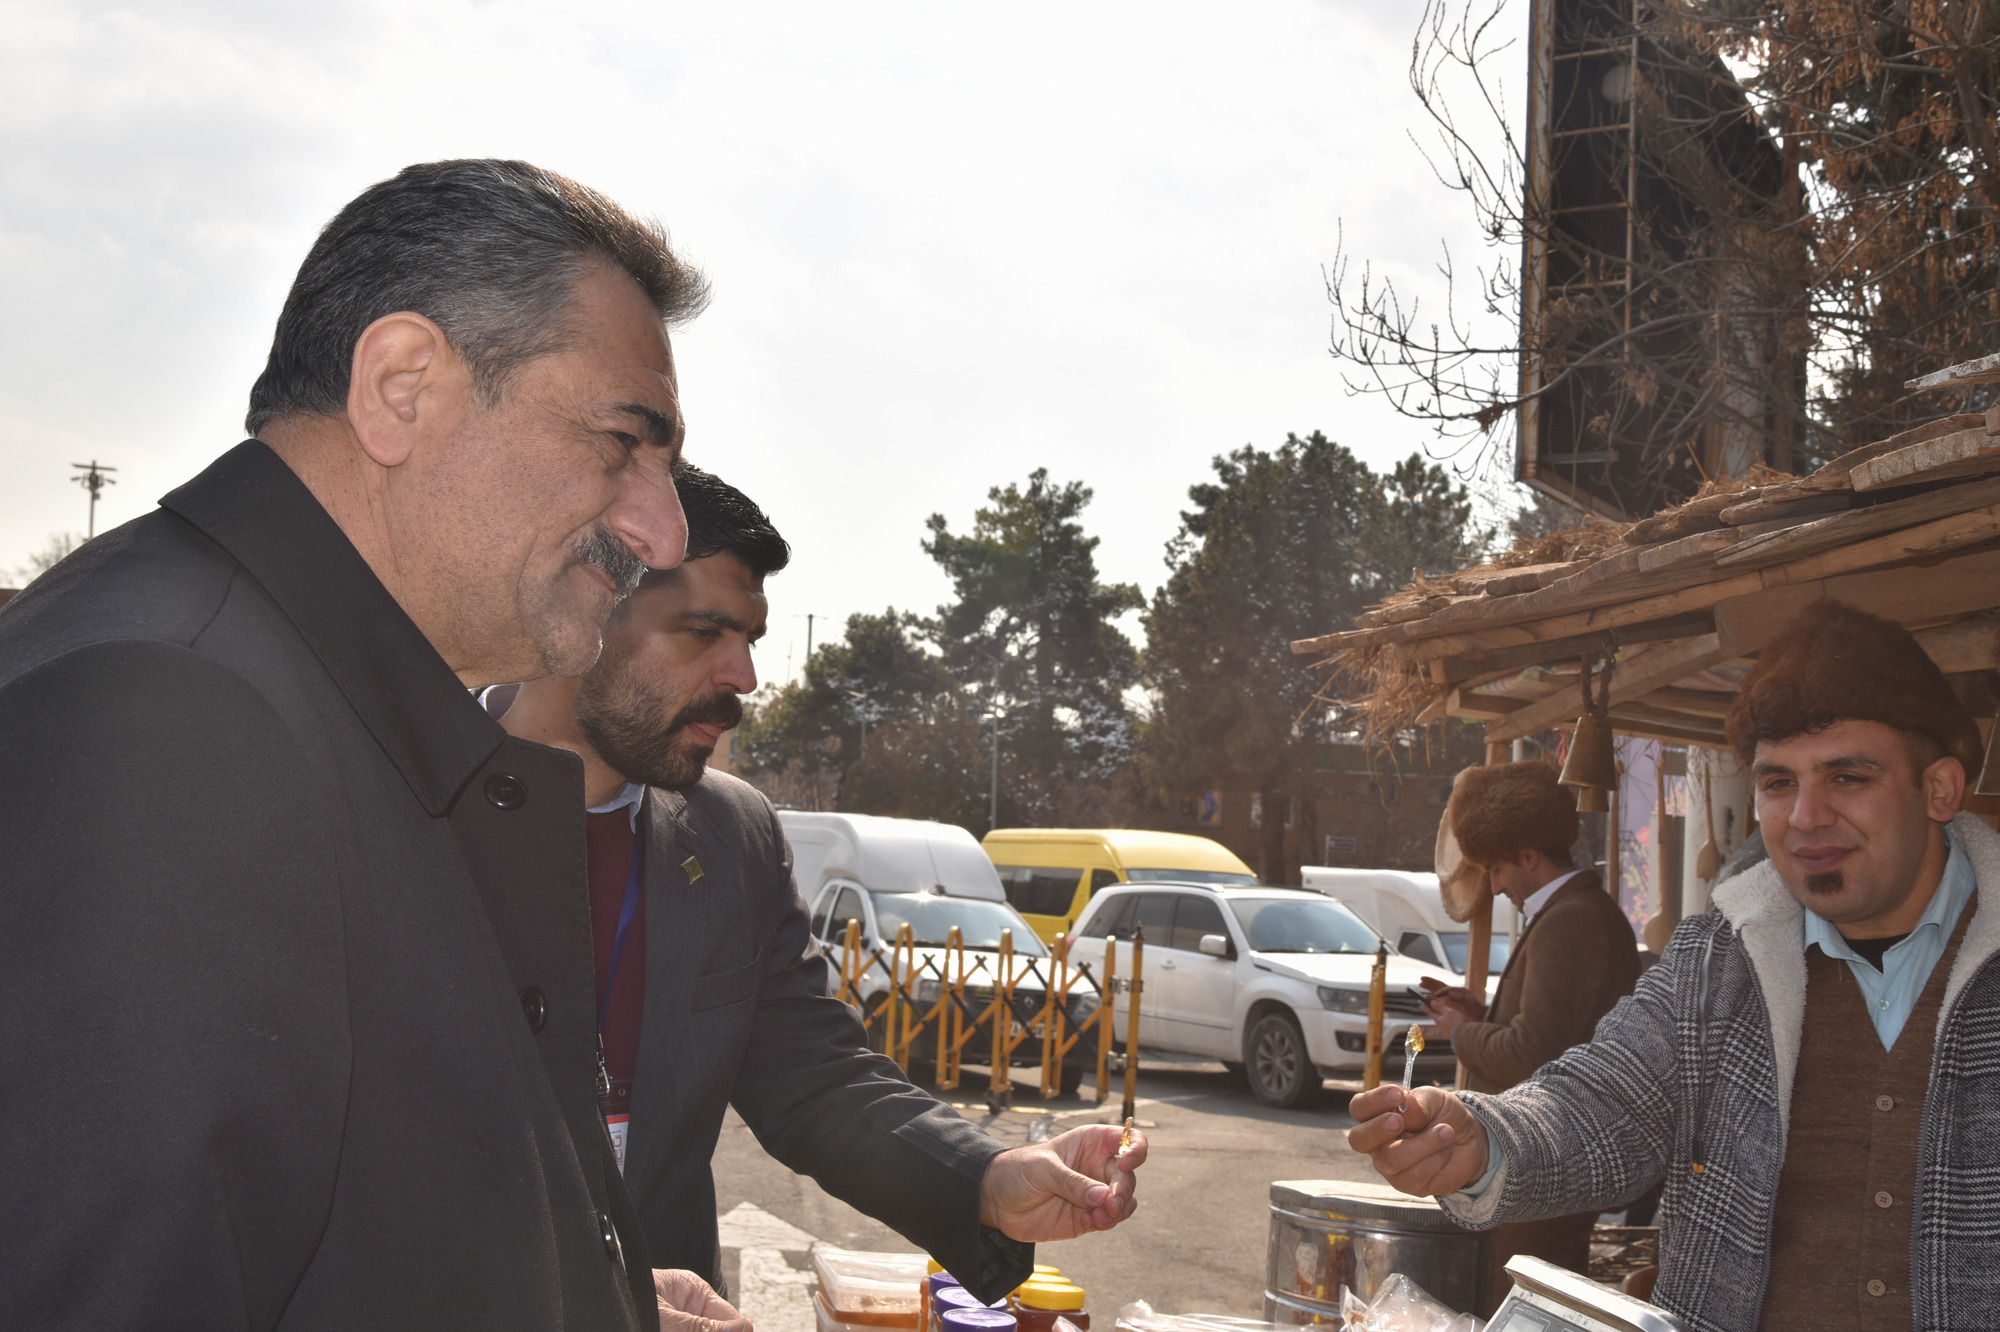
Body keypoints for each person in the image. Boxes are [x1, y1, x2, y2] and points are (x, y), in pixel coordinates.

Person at [0, 159, 710, 1329]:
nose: (662, 530)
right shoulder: (168, 716)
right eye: (623, 442)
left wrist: (593, 1295)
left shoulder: (313, 702)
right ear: (401, 387)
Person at [491, 466, 1148, 1305]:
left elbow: (816, 1077)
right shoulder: (393, 808)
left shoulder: (734, 835)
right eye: (704, 631)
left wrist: (986, 1175)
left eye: (750, 639)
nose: (744, 677)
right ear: (582, 609)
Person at [1348, 599, 2000, 1331]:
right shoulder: (1719, 961)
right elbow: (1599, 1104)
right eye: (1778, 782)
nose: (1806, 816)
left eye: (1847, 777)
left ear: (1940, 788)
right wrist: (1481, 1140)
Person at [1416, 760, 1640, 1313]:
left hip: (1545, 1169)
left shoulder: (1570, 920)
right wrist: (1481, 1014)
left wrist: (1463, 1031)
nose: (1495, 887)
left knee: (1523, 1309)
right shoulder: (1575, 912)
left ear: (1529, 856)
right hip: (1547, 1164)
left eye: (1496, 870)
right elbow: (1552, 1033)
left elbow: (1531, 1054)